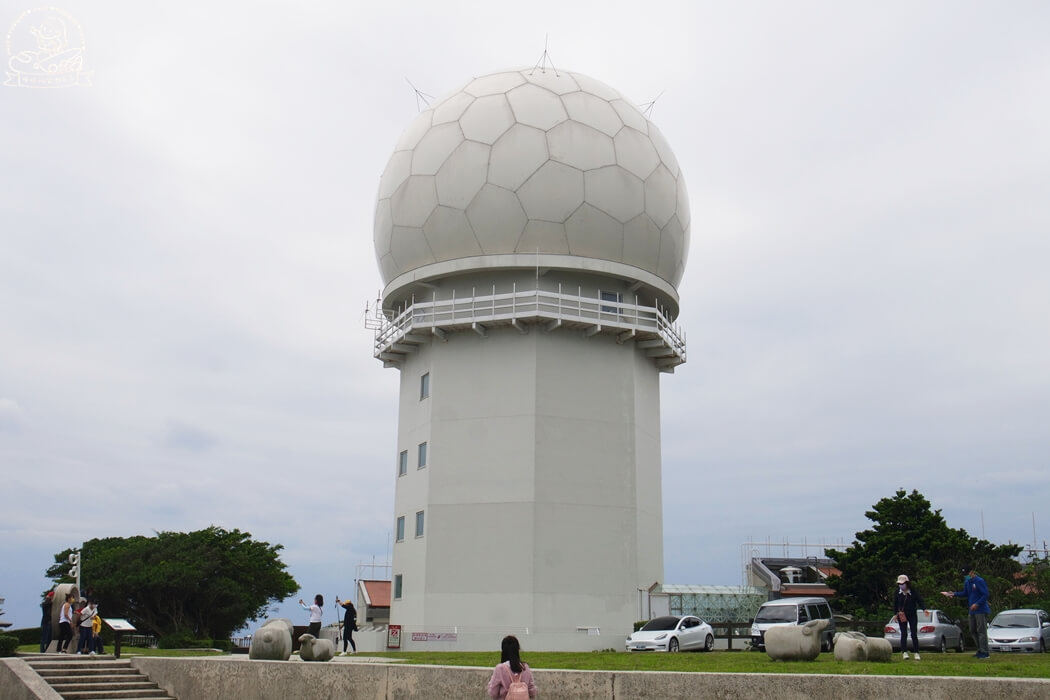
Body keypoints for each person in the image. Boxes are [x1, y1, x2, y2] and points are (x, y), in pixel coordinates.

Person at [942, 564, 990, 658]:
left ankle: (985, 652)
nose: (966, 576)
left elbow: (985, 595)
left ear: (972, 572)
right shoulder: (967, 582)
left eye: (967, 574)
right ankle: (979, 649)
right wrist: (954, 594)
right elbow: (965, 593)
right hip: (972, 610)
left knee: (981, 631)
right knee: (972, 630)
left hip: (980, 609)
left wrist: (977, 604)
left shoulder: (979, 581)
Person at [487, 635, 537, 699]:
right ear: (517, 650)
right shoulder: (525, 668)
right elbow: (532, 693)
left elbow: (493, 693)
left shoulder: (500, 669)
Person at [893, 574, 926, 660]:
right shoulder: (897, 592)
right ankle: (904, 652)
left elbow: (919, 600)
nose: (901, 585)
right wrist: (895, 614)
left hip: (912, 614)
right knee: (903, 633)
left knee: (914, 633)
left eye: (903, 583)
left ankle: (916, 652)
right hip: (902, 615)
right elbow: (895, 604)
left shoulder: (913, 591)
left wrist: (924, 609)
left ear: (907, 583)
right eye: (900, 584)